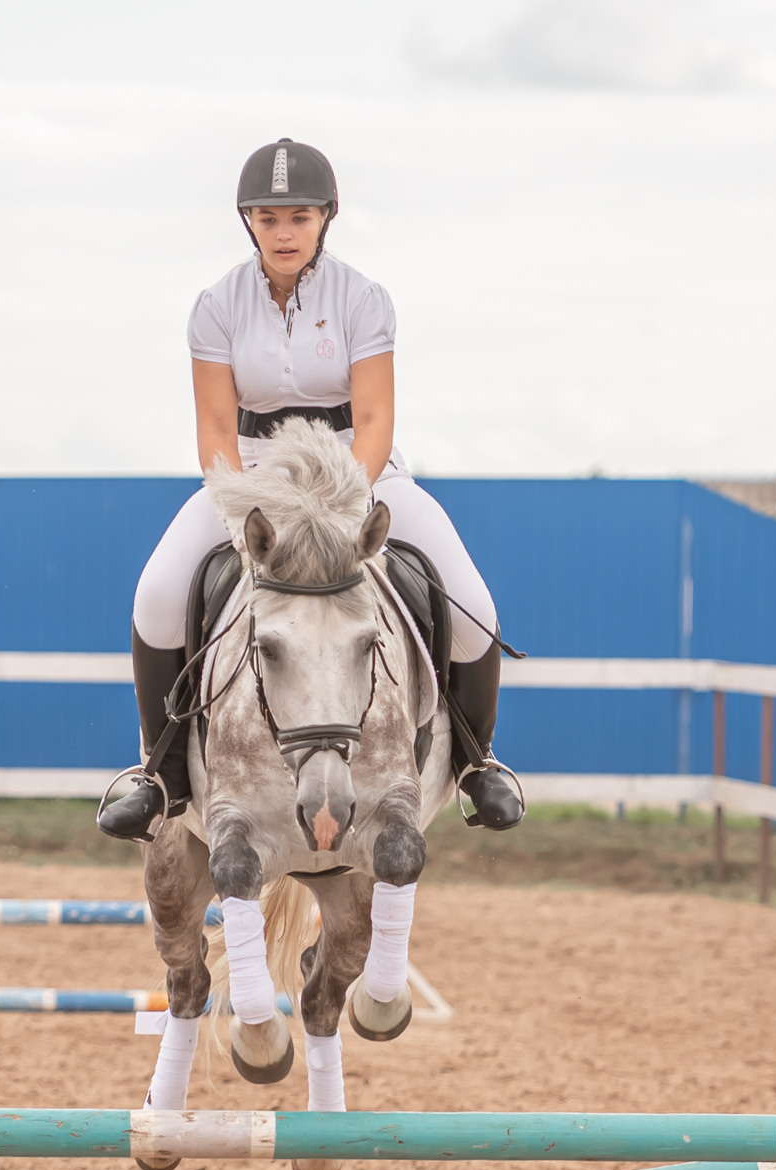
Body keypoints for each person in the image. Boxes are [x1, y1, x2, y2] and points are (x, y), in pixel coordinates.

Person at [98, 137, 523, 841]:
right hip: (254, 477)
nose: (283, 233)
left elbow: (376, 418)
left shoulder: (363, 298)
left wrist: (338, 504)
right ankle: (161, 772)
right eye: (267, 220)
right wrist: (240, 508)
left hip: (359, 471)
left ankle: (477, 763)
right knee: (157, 595)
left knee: (473, 606)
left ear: (325, 217)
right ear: (248, 225)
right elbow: (213, 425)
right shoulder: (216, 305)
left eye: (297, 217)